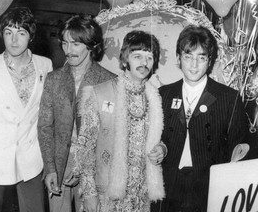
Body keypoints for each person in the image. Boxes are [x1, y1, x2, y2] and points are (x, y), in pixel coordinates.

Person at [156, 25, 247, 212]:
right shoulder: (163, 95)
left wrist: (240, 151)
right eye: (188, 57)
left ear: (210, 61)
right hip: (168, 186)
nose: (194, 65)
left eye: (201, 57)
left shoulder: (229, 98)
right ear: (178, 59)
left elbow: (241, 143)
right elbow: (157, 138)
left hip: (208, 187)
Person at [0, 6, 53, 212]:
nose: (14, 40)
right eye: (9, 33)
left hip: (31, 159)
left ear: (31, 36)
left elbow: (47, 116)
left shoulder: (45, 65)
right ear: (2, 36)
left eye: (21, 33)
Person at [75, 30, 167, 212]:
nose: (144, 63)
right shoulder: (100, 93)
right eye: (137, 56)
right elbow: (85, 147)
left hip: (140, 197)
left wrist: (161, 149)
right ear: (125, 60)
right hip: (106, 194)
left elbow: (155, 139)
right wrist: (89, 193)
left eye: (149, 57)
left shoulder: (155, 97)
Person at [37, 14, 116, 212]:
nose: (68, 50)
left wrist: (83, 168)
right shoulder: (53, 79)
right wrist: (50, 169)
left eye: (75, 44)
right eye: (64, 43)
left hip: (94, 169)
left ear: (91, 45)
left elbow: (111, 134)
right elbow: (45, 127)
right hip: (59, 165)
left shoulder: (110, 81)